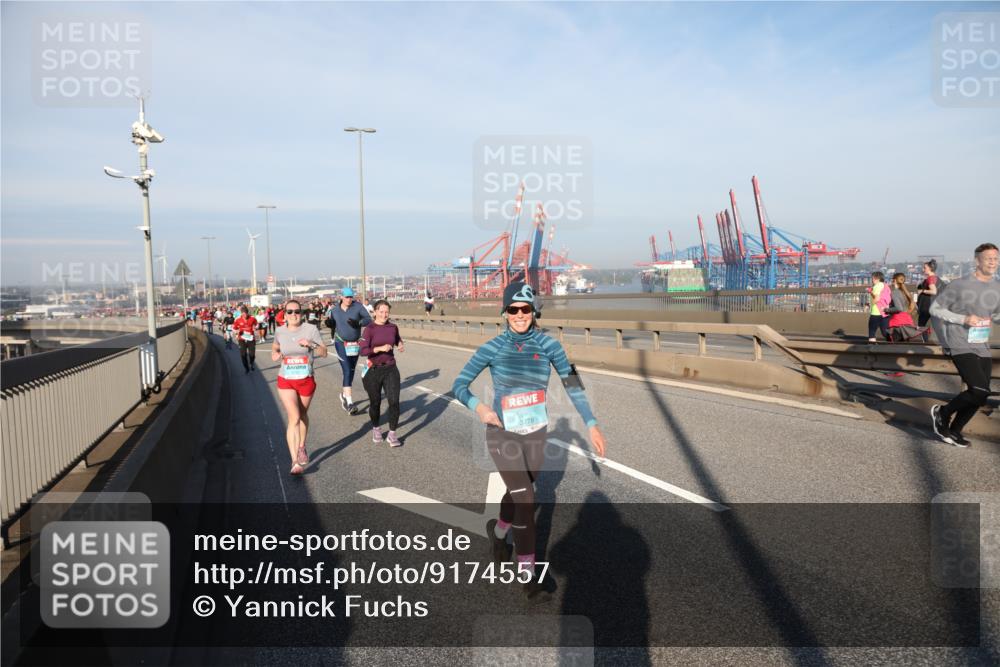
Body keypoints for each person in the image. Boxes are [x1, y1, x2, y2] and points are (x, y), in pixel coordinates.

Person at [452, 281, 607, 601]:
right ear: (505, 313)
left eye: (525, 309)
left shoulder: (550, 346)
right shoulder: (492, 348)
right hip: (502, 434)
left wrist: (591, 424)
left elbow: (572, 384)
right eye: (514, 309)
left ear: (534, 311)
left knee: (519, 491)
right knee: (526, 499)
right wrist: (480, 408)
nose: (520, 315)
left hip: (536, 433)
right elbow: (460, 385)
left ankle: (499, 532)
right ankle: (529, 572)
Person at [929, 243, 1000, 448]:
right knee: (978, 389)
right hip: (959, 341)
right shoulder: (959, 285)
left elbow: (996, 315)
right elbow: (935, 309)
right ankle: (942, 413)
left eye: (996, 258)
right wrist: (964, 319)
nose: (993, 262)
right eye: (988, 258)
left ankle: (954, 430)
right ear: (977, 261)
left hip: (981, 342)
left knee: (982, 394)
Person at [271, 299, 328, 474]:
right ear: (284, 314)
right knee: (294, 417)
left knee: (302, 415)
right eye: (289, 311)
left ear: (301, 314)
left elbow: (324, 352)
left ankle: (302, 446)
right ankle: (295, 461)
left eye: (297, 311)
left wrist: (311, 344)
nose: (293, 314)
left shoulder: (311, 329)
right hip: (286, 379)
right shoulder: (280, 331)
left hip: (305, 379)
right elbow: (275, 347)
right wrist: (276, 354)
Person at [359, 300, 405, 446]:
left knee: (394, 402)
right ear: (375, 312)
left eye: (387, 312)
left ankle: (392, 434)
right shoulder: (369, 329)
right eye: (381, 312)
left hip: (390, 369)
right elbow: (362, 350)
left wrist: (400, 344)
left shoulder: (393, 327)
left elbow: (397, 339)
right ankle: (376, 428)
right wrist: (378, 349)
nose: (384, 315)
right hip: (373, 370)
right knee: (375, 402)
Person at [328, 287, 372, 415]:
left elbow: (369, 320)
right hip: (340, 342)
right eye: (346, 297)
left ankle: (344, 395)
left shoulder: (358, 306)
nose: (349, 299)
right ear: (341, 297)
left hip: (354, 344)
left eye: (351, 297)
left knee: (351, 370)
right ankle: (349, 402)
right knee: (347, 370)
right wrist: (329, 323)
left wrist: (359, 322)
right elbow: (331, 323)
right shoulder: (335, 310)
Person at [886, 272, 921, 343]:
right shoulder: (905, 292)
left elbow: (899, 308)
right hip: (907, 322)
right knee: (904, 346)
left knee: (894, 346)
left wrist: (886, 310)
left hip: (897, 324)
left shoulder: (895, 292)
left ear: (894, 280)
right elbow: (915, 306)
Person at [916, 260, 940, 342]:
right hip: (934, 304)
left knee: (921, 325)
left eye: (925, 268)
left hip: (926, 305)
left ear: (930, 268)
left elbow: (934, 291)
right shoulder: (936, 278)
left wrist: (922, 291)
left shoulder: (930, 278)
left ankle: (925, 342)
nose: (923, 269)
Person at [867, 272, 891, 342]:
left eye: (872, 278)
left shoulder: (877, 286)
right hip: (885, 312)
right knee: (885, 332)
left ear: (876, 278)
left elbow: (877, 298)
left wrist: (870, 305)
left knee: (872, 331)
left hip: (876, 312)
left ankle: (871, 345)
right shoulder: (886, 286)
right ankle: (892, 344)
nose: (872, 280)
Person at [233, 306, 258, 374]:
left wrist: (255, 328)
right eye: (243, 314)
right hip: (242, 339)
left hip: (251, 338)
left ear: (247, 313)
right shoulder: (238, 319)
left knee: (252, 354)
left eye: (245, 314)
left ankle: (251, 363)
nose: (244, 315)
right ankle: (246, 368)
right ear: (241, 313)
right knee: (243, 355)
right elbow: (234, 328)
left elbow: (257, 324)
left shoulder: (252, 318)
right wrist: (236, 332)